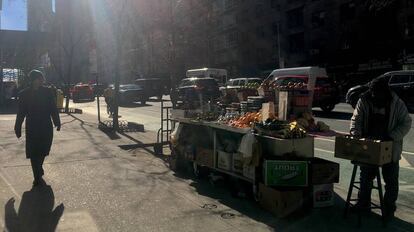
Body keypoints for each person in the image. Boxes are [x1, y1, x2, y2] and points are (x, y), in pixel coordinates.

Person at [350, 77, 412, 218]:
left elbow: (406, 123)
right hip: (368, 146)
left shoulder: (397, 103)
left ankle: (389, 208)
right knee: (365, 177)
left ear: (386, 93)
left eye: (379, 95)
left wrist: (391, 136)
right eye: (374, 94)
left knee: (391, 181)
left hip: (389, 147)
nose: (376, 97)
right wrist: (356, 134)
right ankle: (363, 204)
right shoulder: (364, 100)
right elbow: (356, 119)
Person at [14, 70, 61, 187]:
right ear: (34, 79)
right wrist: (17, 127)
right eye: (40, 78)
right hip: (32, 127)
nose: (42, 80)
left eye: (42, 78)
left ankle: (39, 168)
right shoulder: (24, 94)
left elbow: (53, 108)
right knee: (34, 151)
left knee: (44, 149)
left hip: (45, 126)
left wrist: (57, 122)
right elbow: (21, 113)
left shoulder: (48, 92)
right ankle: (37, 176)